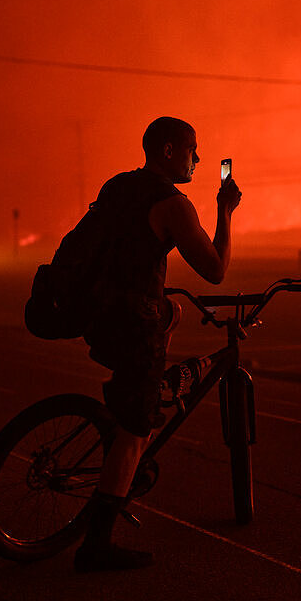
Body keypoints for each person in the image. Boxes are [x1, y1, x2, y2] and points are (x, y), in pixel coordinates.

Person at [74, 116, 241, 572]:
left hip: (97, 311)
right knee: (136, 428)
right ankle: (96, 544)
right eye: (193, 149)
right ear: (168, 151)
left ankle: (129, 405)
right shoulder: (173, 204)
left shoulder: (119, 185)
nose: (199, 159)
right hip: (130, 322)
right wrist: (224, 211)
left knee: (174, 312)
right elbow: (215, 270)